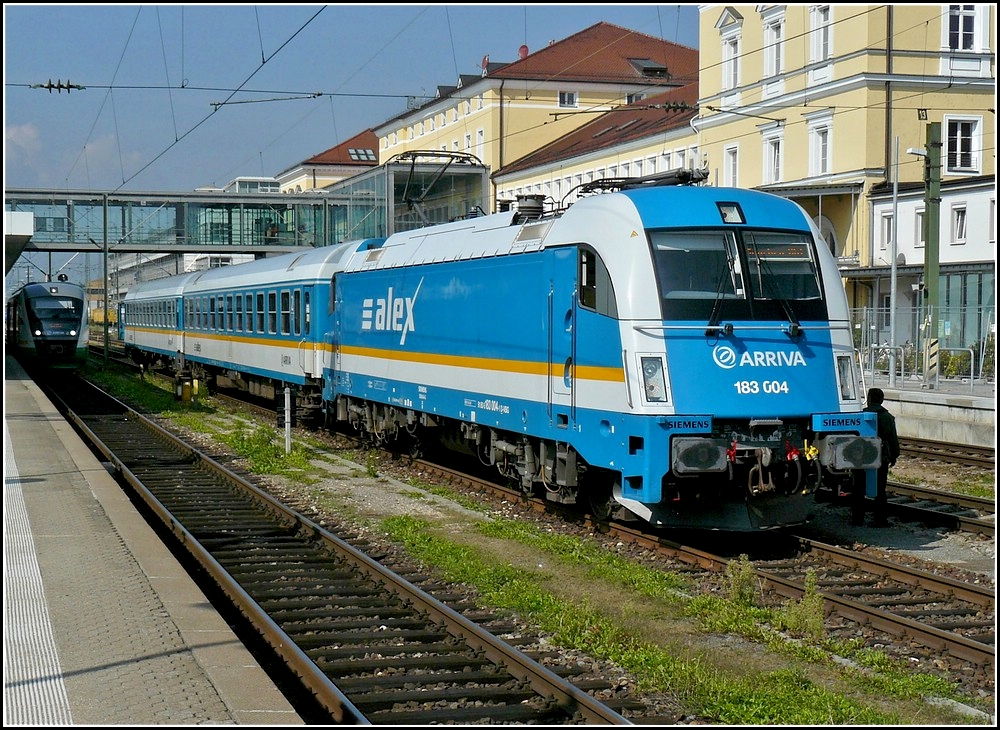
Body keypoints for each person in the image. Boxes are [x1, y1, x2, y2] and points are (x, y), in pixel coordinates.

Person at [851, 387, 901, 527]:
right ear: (882, 400)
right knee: (880, 490)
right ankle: (880, 520)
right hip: (881, 458)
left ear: (869, 399)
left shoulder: (859, 416)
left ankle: (857, 520)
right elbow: (893, 440)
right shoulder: (887, 417)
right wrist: (894, 456)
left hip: (860, 458)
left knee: (858, 489)